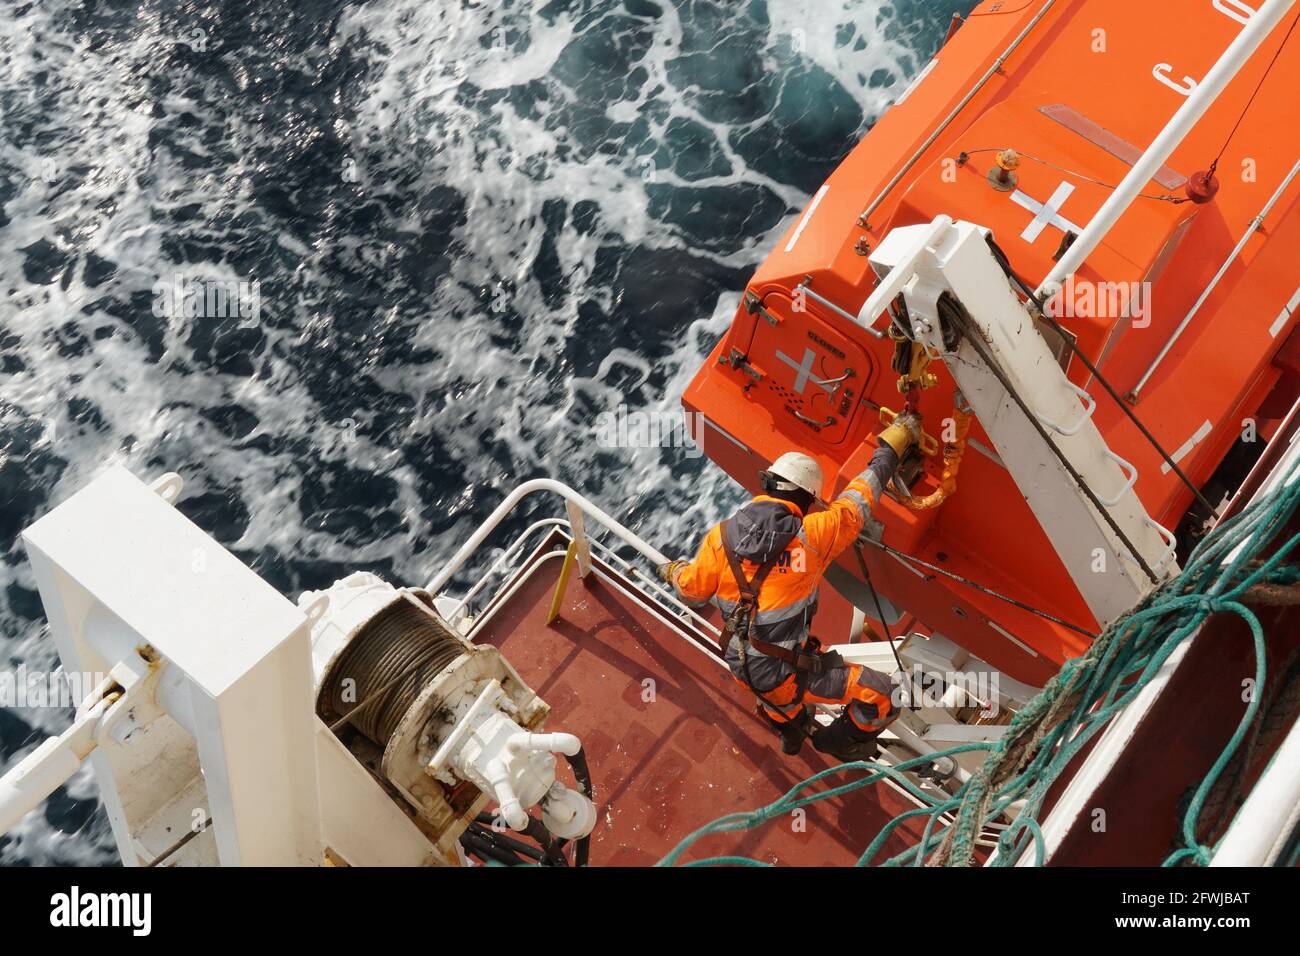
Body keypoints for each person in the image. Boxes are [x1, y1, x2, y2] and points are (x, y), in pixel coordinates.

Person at [656, 415, 922, 760]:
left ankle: (791, 735)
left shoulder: (720, 536)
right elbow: (858, 502)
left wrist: (672, 569)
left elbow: (691, 590)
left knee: (782, 702)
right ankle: (839, 742)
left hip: (740, 664)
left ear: (768, 486)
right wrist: (888, 454)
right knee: (884, 694)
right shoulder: (813, 535)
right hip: (780, 675)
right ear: (807, 499)